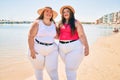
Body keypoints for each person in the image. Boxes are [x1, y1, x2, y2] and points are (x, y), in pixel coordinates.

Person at [57, 5, 89, 80]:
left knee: (69, 69)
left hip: (75, 47)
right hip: (61, 49)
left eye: (67, 11)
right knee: (70, 68)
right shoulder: (60, 23)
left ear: (71, 13)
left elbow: (81, 35)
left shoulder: (76, 22)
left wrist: (86, 47)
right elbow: (57, 36)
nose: (65, 13)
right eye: (64, 12)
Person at [28, 7, 59, 80]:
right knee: (38, 69)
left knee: (53, 70)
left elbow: (57, 36)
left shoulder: (54, 24)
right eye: (47, 11)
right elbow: (30, 37)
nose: (49, 13)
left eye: (50, 12)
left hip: (52, 50)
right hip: (37, 50)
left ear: (52, 14)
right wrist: (32, 50)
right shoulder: (37, 23)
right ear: (43, 13)